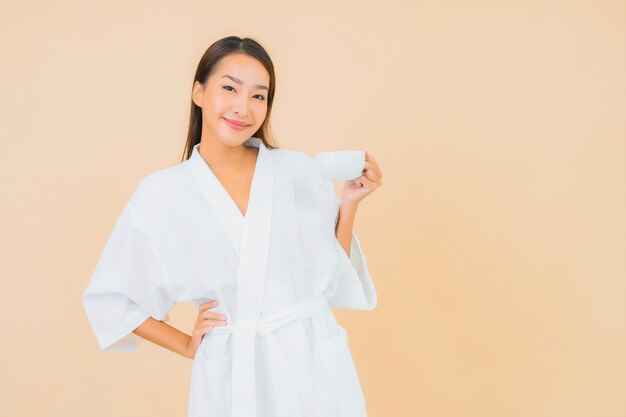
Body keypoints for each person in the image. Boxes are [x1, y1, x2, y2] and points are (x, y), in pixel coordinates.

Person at [82, 35, 383, 417]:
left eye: (259, 96)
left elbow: (331, 277)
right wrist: (186, 344)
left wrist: (350, 202)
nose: (243, 107)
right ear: (198, 91)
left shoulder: (296, 170)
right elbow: (112, 298)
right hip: (232, 374)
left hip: (313, 363)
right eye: (229, 88)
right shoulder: (163, 193)